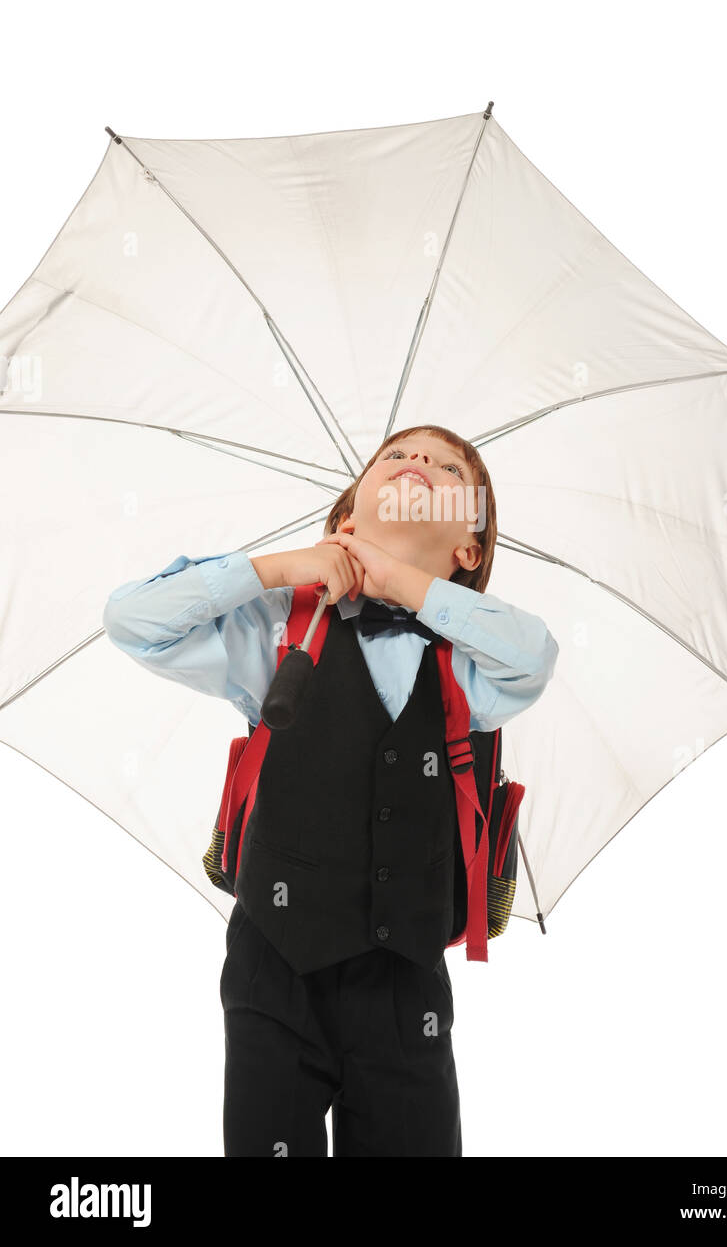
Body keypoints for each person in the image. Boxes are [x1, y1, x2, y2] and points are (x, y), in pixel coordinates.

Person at [102, 424, 559, 1157]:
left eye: (446, 468)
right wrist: (281, 567)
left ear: (466, 551)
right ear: (346, 518)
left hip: (408, 988)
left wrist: (400, 582)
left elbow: (532, 657)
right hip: (273, 967)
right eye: (396, 456)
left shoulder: (470, 667)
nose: (417, 464)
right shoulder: (280, 635)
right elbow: (133, 621)